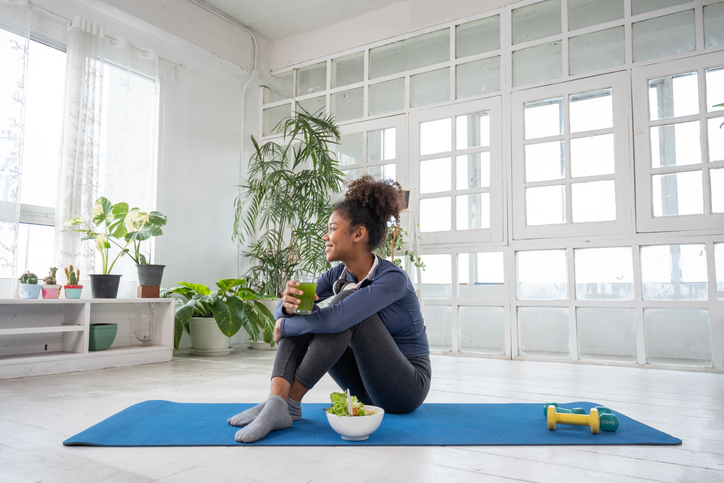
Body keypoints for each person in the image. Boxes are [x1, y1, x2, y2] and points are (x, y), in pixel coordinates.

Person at [228, 176, 431, 443]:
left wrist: (285, 325)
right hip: (365, 384)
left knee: (343, 311)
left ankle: (290, 402)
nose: (325, 236)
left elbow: (339, 318)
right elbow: (286, 313)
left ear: (358, 234)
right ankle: (276, 401)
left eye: (332, 228)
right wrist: (288, 309)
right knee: (307, 309)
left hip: (406, 387)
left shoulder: (393, 279)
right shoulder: (338, 273)